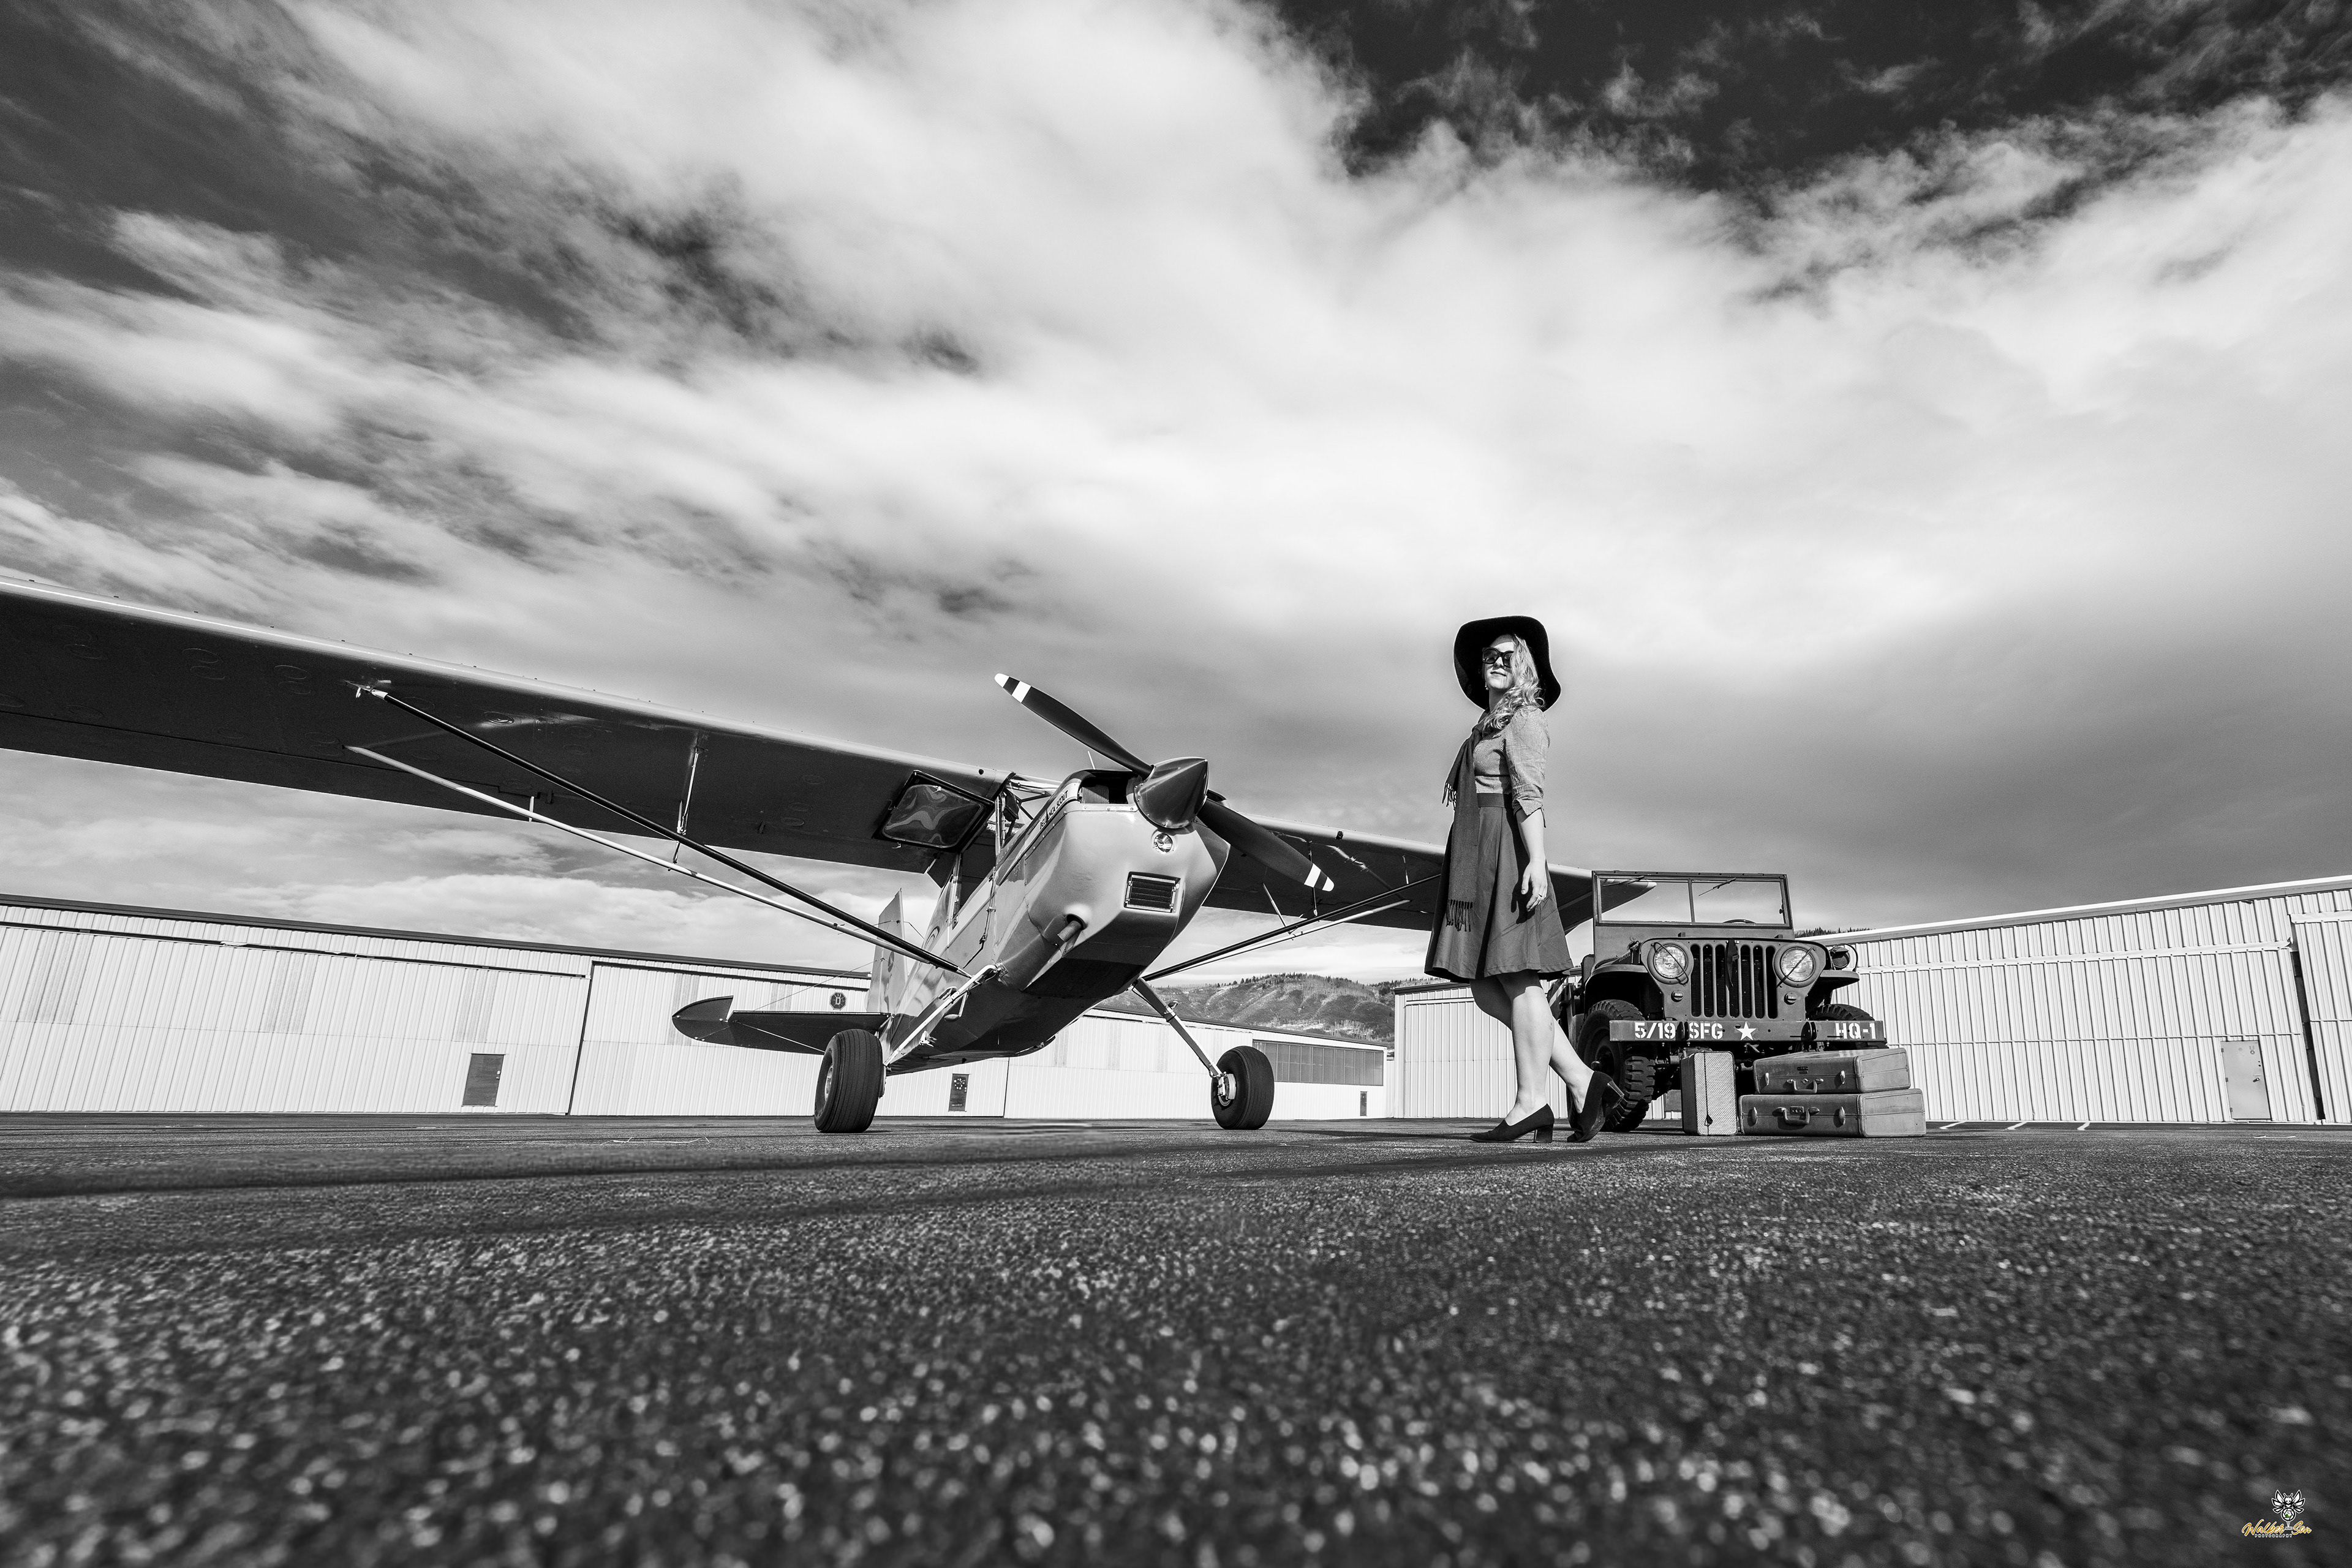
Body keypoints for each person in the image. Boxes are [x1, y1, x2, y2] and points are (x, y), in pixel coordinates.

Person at [1424, 616, 1621, 1144]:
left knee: (1518, 980)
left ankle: (1531, 1102)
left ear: (1524, 665)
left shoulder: (1526, 720)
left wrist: (1537, 861)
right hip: (1477, 858)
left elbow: (1530, 795)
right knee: (1487, 989)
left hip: (1508, 852)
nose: (1495, 662)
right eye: (1488, 655)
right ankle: (1583, 1080)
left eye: (1506, 656)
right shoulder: (1487, 725)